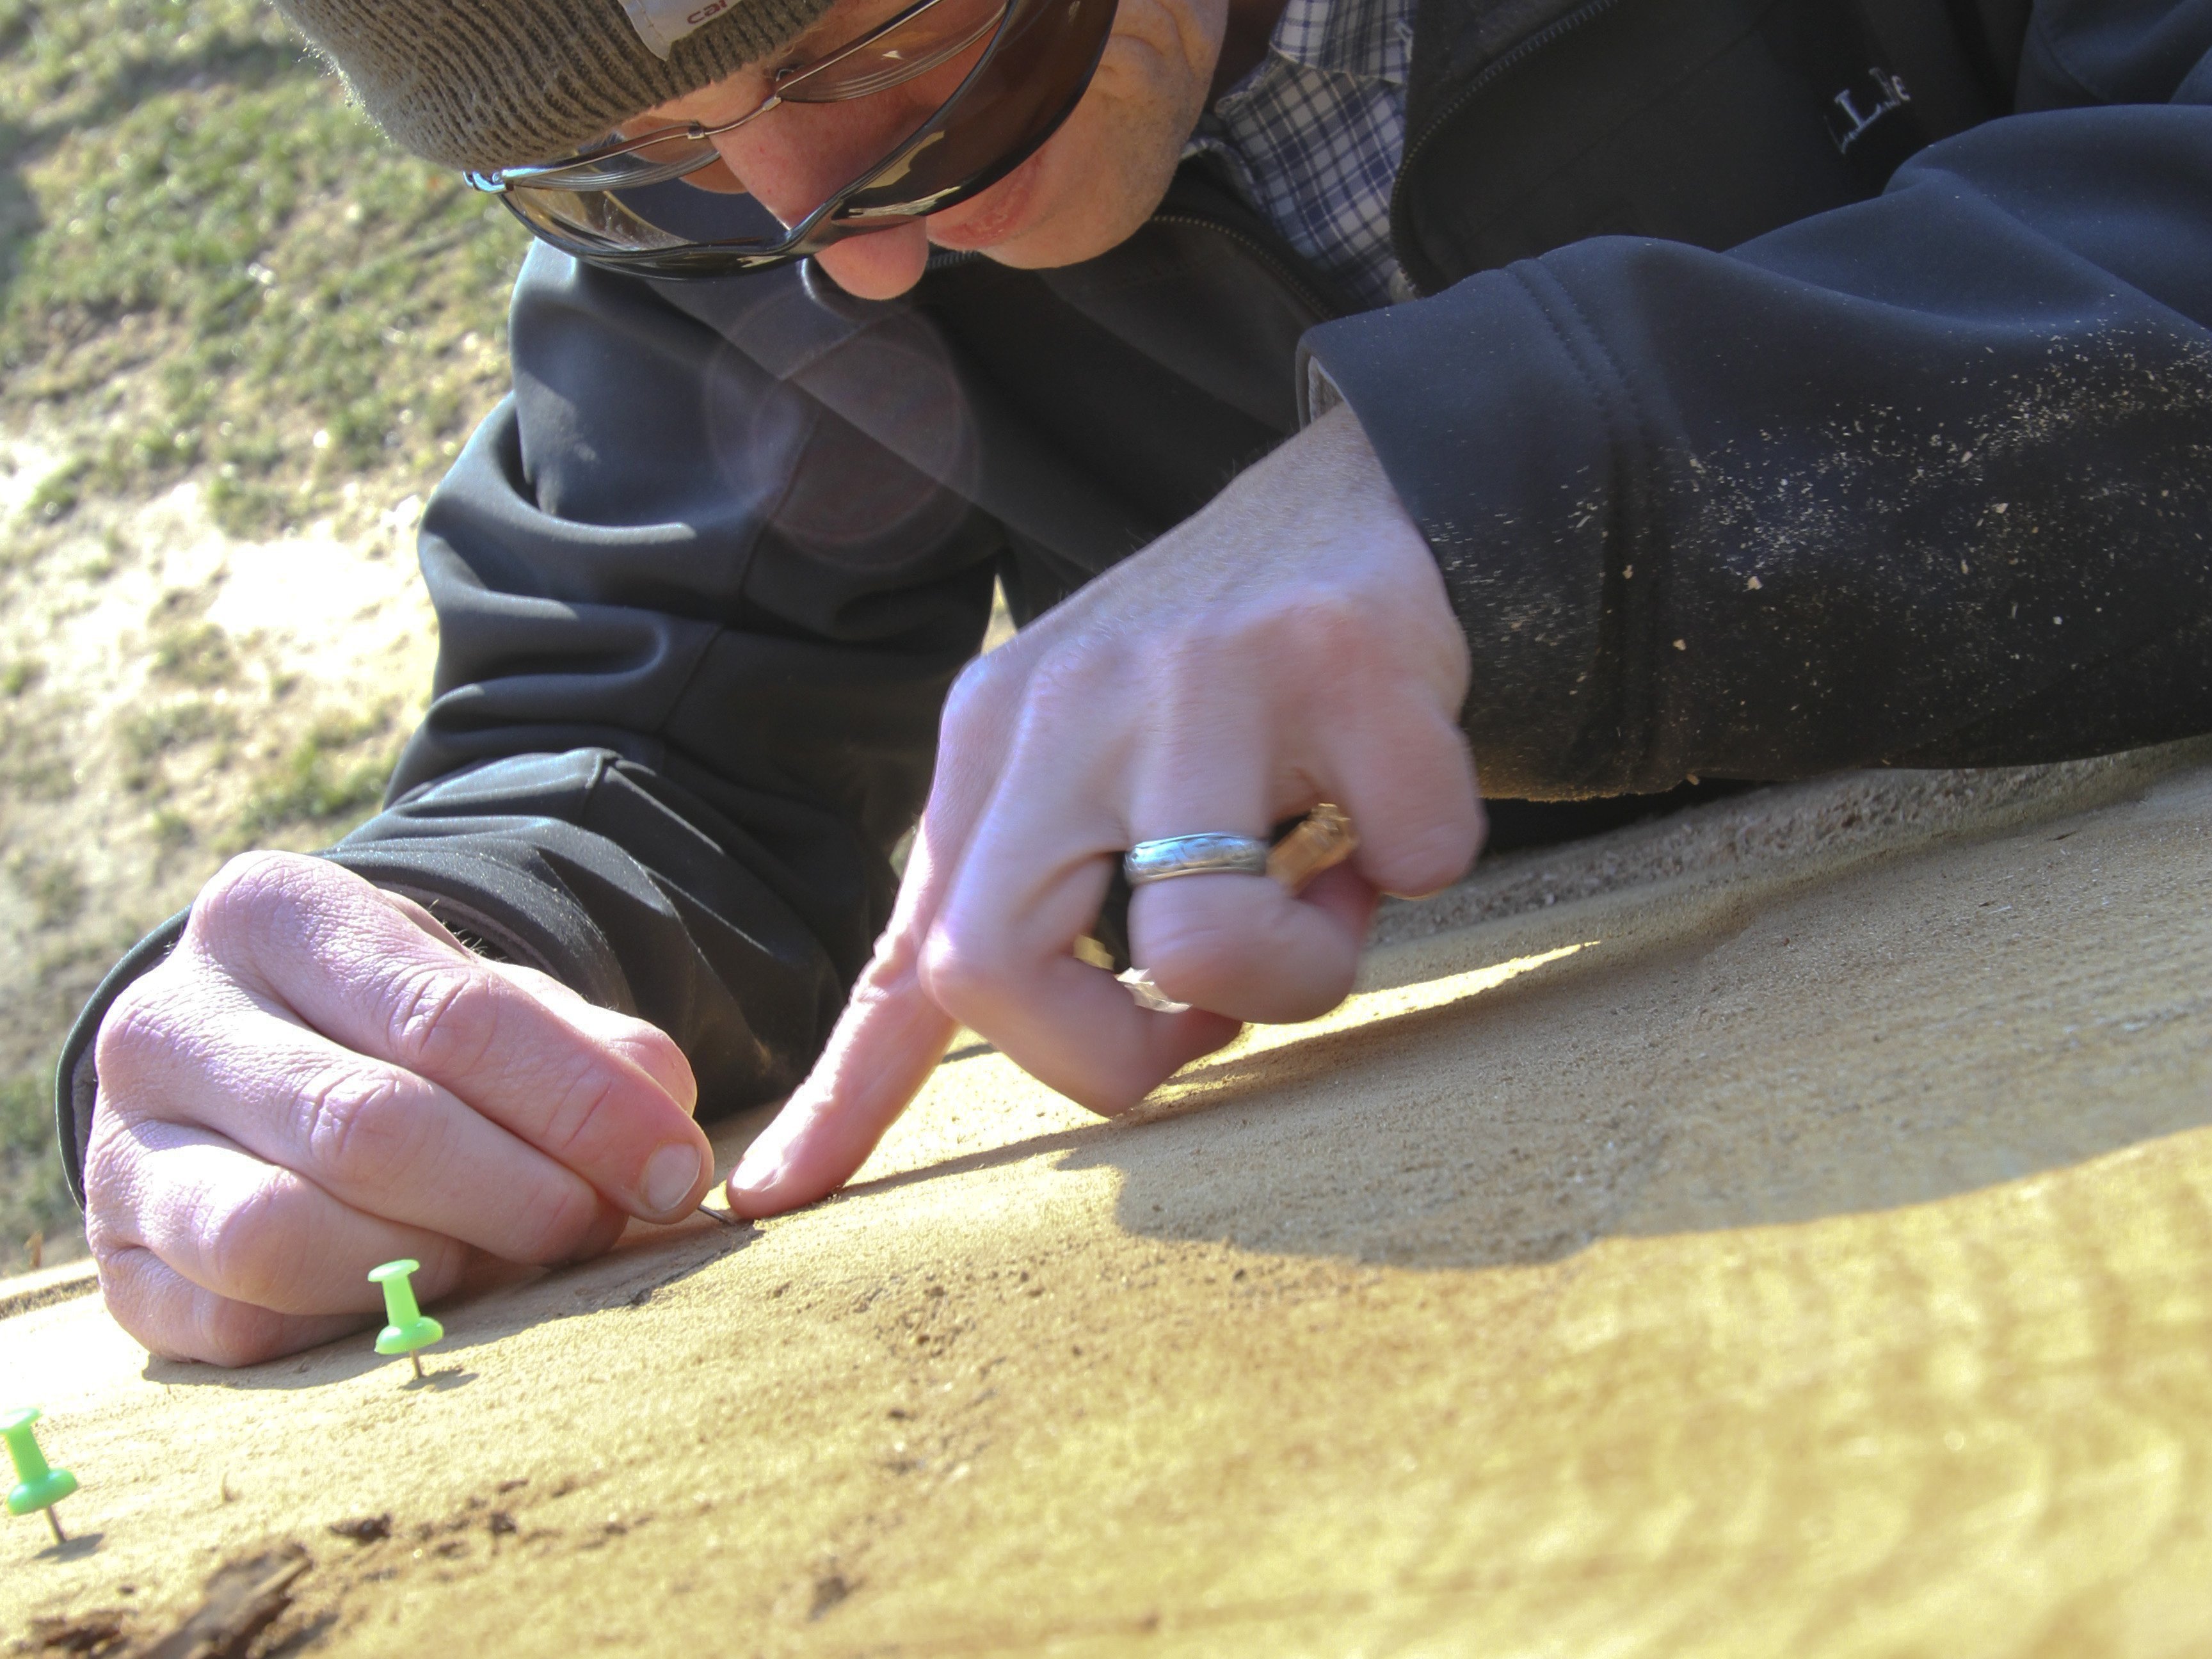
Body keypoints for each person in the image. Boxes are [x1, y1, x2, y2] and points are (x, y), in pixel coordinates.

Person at [56, 0, 2212, 1365]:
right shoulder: (748, 206)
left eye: (874, 32)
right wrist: (404, 986)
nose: (838, 242)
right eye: (645, 157)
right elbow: (653, 739)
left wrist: (1495, 484)